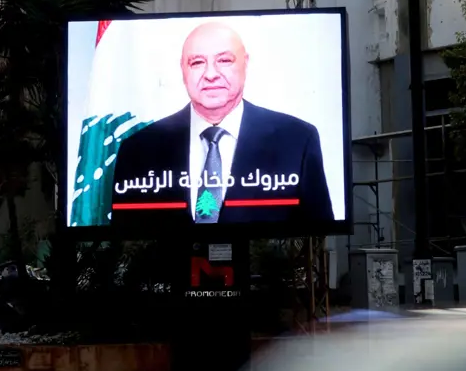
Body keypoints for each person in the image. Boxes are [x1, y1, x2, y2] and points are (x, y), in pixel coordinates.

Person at [110, 21, 334, 227]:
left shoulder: (297, 140)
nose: (210, 74)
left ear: (245, 64)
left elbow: (318, 230)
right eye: (197, 62)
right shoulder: (138, 148)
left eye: (224, 60)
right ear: (182, 70)